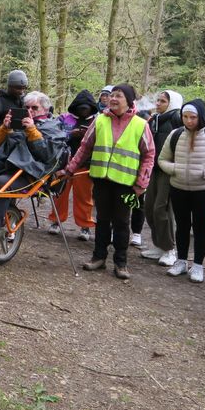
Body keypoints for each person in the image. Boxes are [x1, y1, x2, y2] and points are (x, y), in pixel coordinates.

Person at [60, 84, 155, 280]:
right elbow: (85, 148)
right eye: (112, 95)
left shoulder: (140, 124)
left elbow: (149, 155)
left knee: (122, 222)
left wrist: (141, 184)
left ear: (128, 101)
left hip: (128, 184)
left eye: (118, 96)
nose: (113, 99)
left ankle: (121, 263)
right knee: (102, 220)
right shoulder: (100, 120)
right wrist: (70, 169)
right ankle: (98, 257)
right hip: (101, 179)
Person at [0, 91, 67, 242]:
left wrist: (32, 130)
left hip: (30, 173)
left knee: (2, 182)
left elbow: (46, 155)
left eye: (34, 108)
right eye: (26, 107)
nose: (30, 111)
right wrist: (4, 128)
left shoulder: (53, 127)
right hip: (4, 166)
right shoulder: (17, 123)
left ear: (45, 110)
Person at [158, 99, 205, 283]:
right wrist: (174, 169)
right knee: (182, 227)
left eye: (193, 117)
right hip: (179, 188)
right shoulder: (175, 135)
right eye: (185, 117)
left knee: (200, 228)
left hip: (204, 191)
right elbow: (162, 159)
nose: (188, 121)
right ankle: (181, 261)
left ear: (201, 117)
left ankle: (198, 265)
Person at [139, 90, 183, 266]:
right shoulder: (155, 120)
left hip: (168, 171)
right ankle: (159, 245)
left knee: (162, 208)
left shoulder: (176, 120)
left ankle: (170, 249)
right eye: (157, 100)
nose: (157, 104)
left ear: (172, 104)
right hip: (153, 170)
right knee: (149, 207)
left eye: (162, 101)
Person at [47, 90, 98, 241]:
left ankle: (85, 226)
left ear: (91, 107)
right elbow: (53, 135)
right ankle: (56, 221)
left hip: (86, 164)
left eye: (86, 107)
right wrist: (70, 135)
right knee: (60, 194)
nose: (83, 110)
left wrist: (87, 136)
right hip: (64, 162)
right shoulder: (64, 118)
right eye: (80, 107)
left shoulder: (98, 120)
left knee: (84, 197)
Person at [0, 69, 28, 135]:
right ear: (9, 86)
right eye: (18, 88)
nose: (21, 91)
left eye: (24, 88)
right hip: (2, 141)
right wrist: (8, 130)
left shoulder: (25, 101)